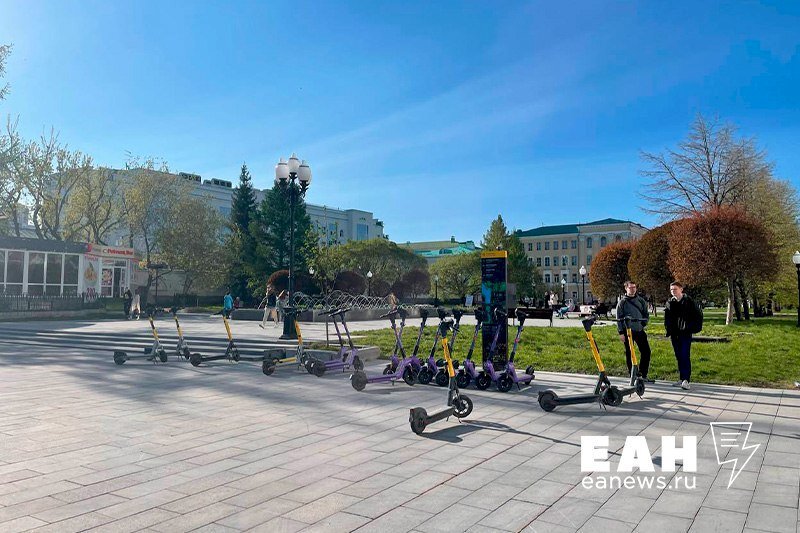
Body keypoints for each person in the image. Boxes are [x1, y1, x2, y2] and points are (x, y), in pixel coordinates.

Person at [664, 281, 702, 390]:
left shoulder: (689, 302)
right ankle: (682, 378)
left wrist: (691, 328)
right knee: (679, 356)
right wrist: (668, 329)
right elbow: (667, 318)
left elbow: (698, 316)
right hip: (674, 334)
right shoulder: (670, 302)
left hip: (685, 333)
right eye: (671, 289)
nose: (673, 291)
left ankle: (686, 380)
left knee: (685, 355)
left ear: (681, 289)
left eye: (675, 289)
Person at [615, 281, 653, 383]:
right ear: (626, 288)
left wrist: (643, 324)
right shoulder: (622, 302)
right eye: (630, 288)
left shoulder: (641, 300)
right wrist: (621, 333)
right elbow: (618, 318)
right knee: (630, 353)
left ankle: (643, 374)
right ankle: (633, 375)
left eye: (634, 287)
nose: (632, 289)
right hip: (628, 331)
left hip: (639, 330)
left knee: (646, 352)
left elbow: (646, 314)